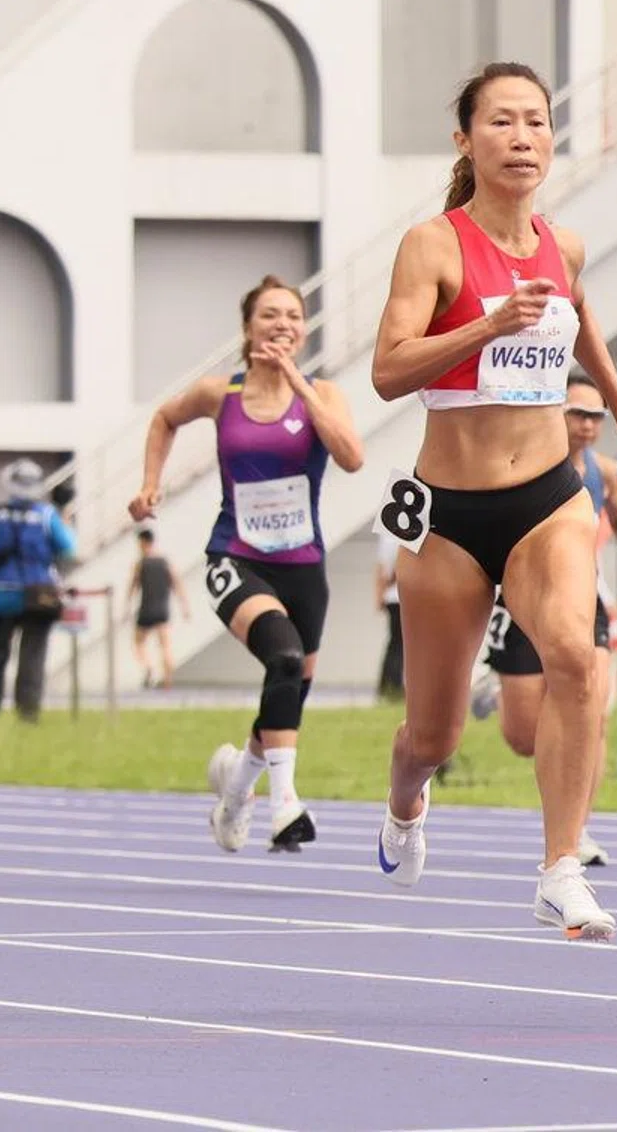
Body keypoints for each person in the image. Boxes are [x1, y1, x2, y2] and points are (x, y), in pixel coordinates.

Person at [368, 61, 617, 940]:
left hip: (548, 497)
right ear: (466, 140)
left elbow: (582, 319)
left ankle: (559, 866)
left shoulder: (561, 244)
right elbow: (389, 372)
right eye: (501, 122)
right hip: (450, 515)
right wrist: (485, 326)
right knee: (432, 738)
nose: (522, 138)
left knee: (579, 662)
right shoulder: (432, 246)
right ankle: (404, 802)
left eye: (536, 122)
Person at [129, 275, 364, 854]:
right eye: (269, 315)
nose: (282, 323)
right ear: (247, 328)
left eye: (292, 315)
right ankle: (285, 805)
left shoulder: (324, 394)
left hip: (304, 563)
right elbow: (164, 418)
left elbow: (352, 457)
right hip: (236, 555)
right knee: (282, 656)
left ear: (303, 330)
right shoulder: (219, 393)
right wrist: (149, 486)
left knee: (290, 688)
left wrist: (297, 385)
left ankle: (236, 792)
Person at [481, 372, 617, 868]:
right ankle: (495, 693)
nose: (586, 425)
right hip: (519, 597)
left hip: (582, 597)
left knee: (590, 713)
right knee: (522, 738)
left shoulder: (601, 470)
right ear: (554, 413)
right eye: (577, 414)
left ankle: (574, 833)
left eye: (595, 417)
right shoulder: (525, 462)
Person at [0, 458, 77, 721]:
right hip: (38, 594)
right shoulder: (46, 515)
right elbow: (69, 549)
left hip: (1, 593)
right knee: (33, 654)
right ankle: (28, 712)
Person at [127, 528, 188, 688]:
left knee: (138, 643)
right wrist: (184, 607)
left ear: (143, 542)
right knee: (165, 646)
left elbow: (133, 586)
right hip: (163, 610)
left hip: (146, 609)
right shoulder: (165, 562)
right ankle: (168, 682)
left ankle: (148, 667)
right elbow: (177, 584)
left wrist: (127, 606)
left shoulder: (140, 563)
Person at [375, 532, 405, 701]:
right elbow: (386, 570)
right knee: (399, 645)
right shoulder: (399, 536)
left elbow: (381, 567)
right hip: (400, 596)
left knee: (394, 643)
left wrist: (379, 595)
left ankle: (386, 684)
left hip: (392, 597)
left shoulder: (387, 536)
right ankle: (393, 685)